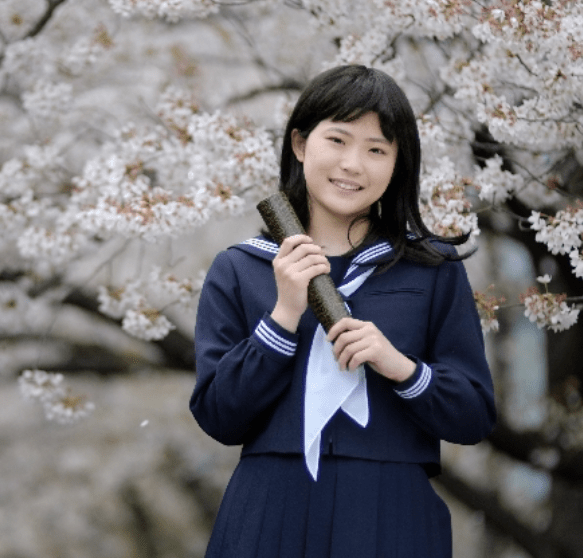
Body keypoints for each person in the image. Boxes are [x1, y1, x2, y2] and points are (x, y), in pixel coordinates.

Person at [190, 64, 496, 558]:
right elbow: (220, 417)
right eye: (337, 140)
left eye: (376, 149)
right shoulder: (241, 268)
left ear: (398, 164)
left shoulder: (431, 269)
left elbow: (474, 416)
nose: (353, 164)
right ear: (299, 144)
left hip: (391, 512)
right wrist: (283, 316)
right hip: (269, 512)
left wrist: (401, 368)